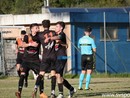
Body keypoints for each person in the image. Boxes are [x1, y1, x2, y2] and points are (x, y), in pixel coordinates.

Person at [48, 21, 76, 98]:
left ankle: (61, 94)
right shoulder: (55, 34)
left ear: (61, 28)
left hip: (62, 57)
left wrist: (50, 38)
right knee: (58, 76)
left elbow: (58, 38)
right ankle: (71, 89)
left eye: (57, 26)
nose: (55, 28)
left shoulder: (62, 34)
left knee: (58, 75)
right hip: (56, 58)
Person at [15, 23, 43, 98]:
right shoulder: (27, 36)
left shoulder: (39, 36)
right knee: (22, 74)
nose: (38, 29)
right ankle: (19, 92)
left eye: (38, 28)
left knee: (41, 75)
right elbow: (22, 45)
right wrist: (30, 44)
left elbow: (39, 43)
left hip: (35, 60)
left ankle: (41, 93)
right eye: (36, 28)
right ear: (32, 29)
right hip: (26, 60)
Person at [32, 20, 56, 98]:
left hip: (45, 56)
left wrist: (35, 31)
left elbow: (34, 37)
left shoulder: (40, 34)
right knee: (53, 74)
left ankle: (35, 88)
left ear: (42, 26)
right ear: (49, 25)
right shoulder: (54, 32)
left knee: (41, 73)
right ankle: (52, 93)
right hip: (53, 56)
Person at [78, 26, 96, 90]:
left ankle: (80, 86)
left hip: (83, 56)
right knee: (89, 71)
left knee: (83, 71)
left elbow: (79, 47)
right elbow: (94, 49)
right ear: (90, 32)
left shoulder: (80, 39)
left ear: (84, 32)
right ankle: (86, 86)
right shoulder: (91, 40)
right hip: (89, 56)